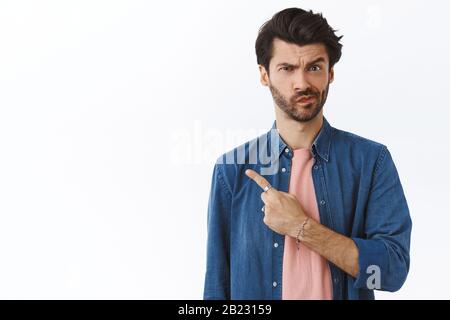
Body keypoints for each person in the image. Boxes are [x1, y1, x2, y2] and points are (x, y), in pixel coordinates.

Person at [203, 7, 412, 300]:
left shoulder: (370, 162)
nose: (302, 83)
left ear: (331, 73)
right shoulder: (231, 170)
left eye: (314, 67)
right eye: (287, 68)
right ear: (264, 75)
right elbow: (217, 288)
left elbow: (392, 271)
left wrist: (302, 227)